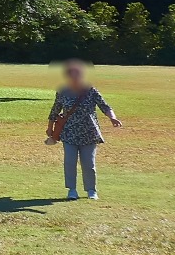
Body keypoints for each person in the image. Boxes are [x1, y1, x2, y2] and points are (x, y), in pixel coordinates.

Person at [47, 59, 123, 200]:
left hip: (89, 133)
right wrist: (50, 128)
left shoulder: (91, 90)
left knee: (89, 163)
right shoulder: (63, 91)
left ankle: (91, 191)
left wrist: (113, 118)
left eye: (78, 74)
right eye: (72, 74)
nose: (75, 77)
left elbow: (105, 106)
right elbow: (55, 110)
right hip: (69, 133)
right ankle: (72, 190)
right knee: (69, 162)